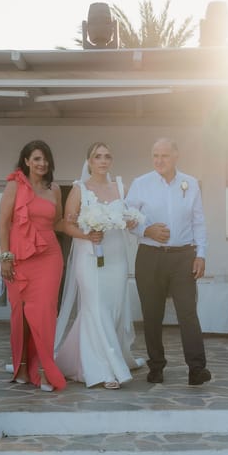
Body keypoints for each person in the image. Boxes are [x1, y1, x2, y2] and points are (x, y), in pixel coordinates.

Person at [54, 142, 144, 389]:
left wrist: (131, 223)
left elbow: (127, 218)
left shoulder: (121, 187)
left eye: (107, 156)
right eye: (97, 156)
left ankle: (86, 358)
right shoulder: (79, 189)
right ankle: (105, 370)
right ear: (89, 161)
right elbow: (65, 224)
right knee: (95, 308)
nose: (103, 161)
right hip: (90, 256)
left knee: (113, 308)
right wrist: (87, 236)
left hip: (116, 256)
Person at [125, 137, 212, 386]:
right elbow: (127, 217)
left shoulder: (191, 183)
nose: (159, 160)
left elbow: (199, 222)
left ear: (176, 156)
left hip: (183, 256)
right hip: (150, 257)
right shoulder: (141, 184)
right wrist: (146, 230)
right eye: (155, 155)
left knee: (188, 314)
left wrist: (201, 254)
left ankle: (197, 369)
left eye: (164, 155)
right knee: (152, 315)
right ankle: (156, 367)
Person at [0, 140, 67, 392]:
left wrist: (85, 227)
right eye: (36, 159)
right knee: (20, 316)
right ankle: (24, 367)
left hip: (49, 256)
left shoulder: (55, 189)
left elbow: (58, 223)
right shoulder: (14, 185)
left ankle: (46, 371)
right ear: (26, 161)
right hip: (19, 257)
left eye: (45, 159)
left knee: (45, 314)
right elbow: (3, 223)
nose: (42, 163)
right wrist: (5, 257)